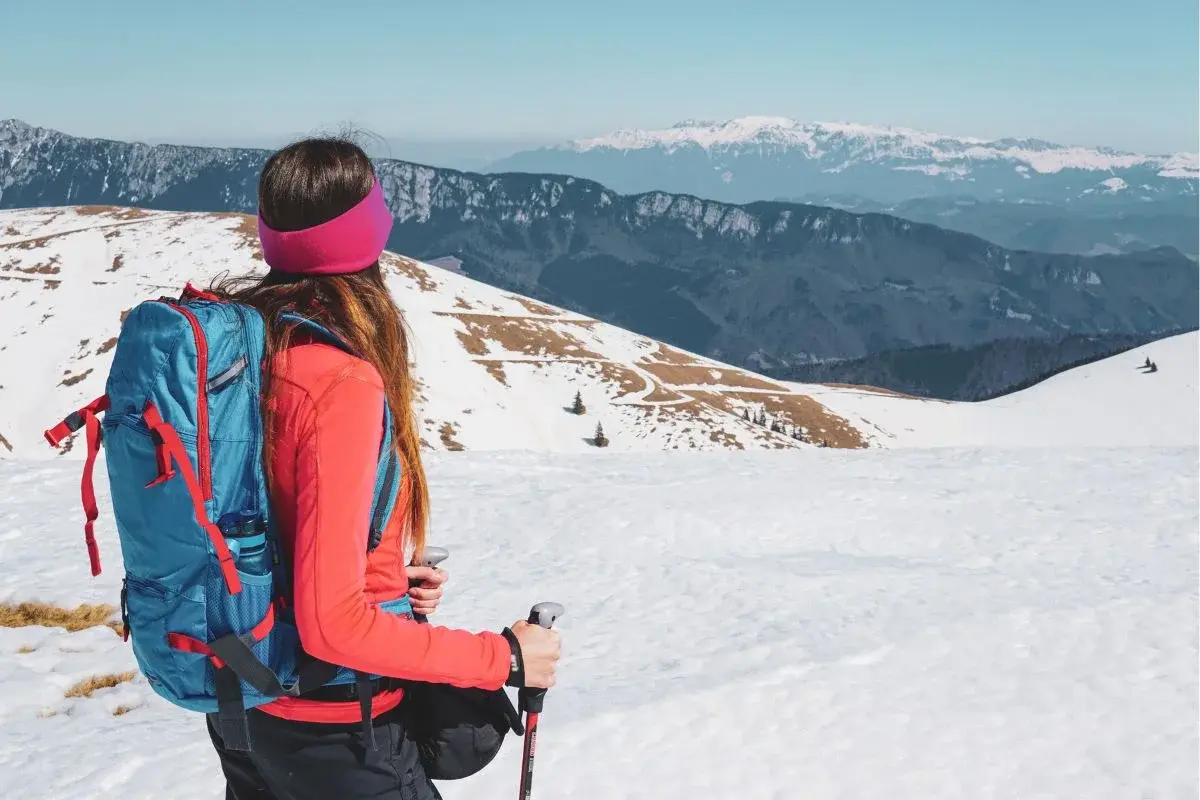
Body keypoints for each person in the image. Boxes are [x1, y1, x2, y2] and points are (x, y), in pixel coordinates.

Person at [205, 137, 561, 800]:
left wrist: (386, 580)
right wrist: (504, 657)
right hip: (336, 730)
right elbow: (332, 624)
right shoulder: (338, 379)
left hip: (244, 706)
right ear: (366, 232)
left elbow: (271, 522)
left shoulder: (246, 347)